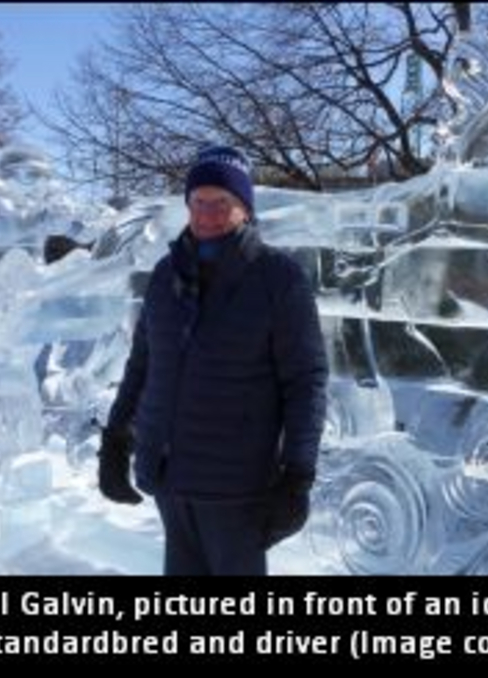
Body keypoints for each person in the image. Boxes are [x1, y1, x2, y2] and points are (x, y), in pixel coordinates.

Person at [96, 145, 328, 575]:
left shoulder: (279, 278)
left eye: (222, 203)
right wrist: (115, 441)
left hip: (236, 487)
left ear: (245, 208)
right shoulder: (166, 275)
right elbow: (143, 366)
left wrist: (298, 475)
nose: (207, 214)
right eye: (198, 202)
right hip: (168, 478)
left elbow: (306, 381)